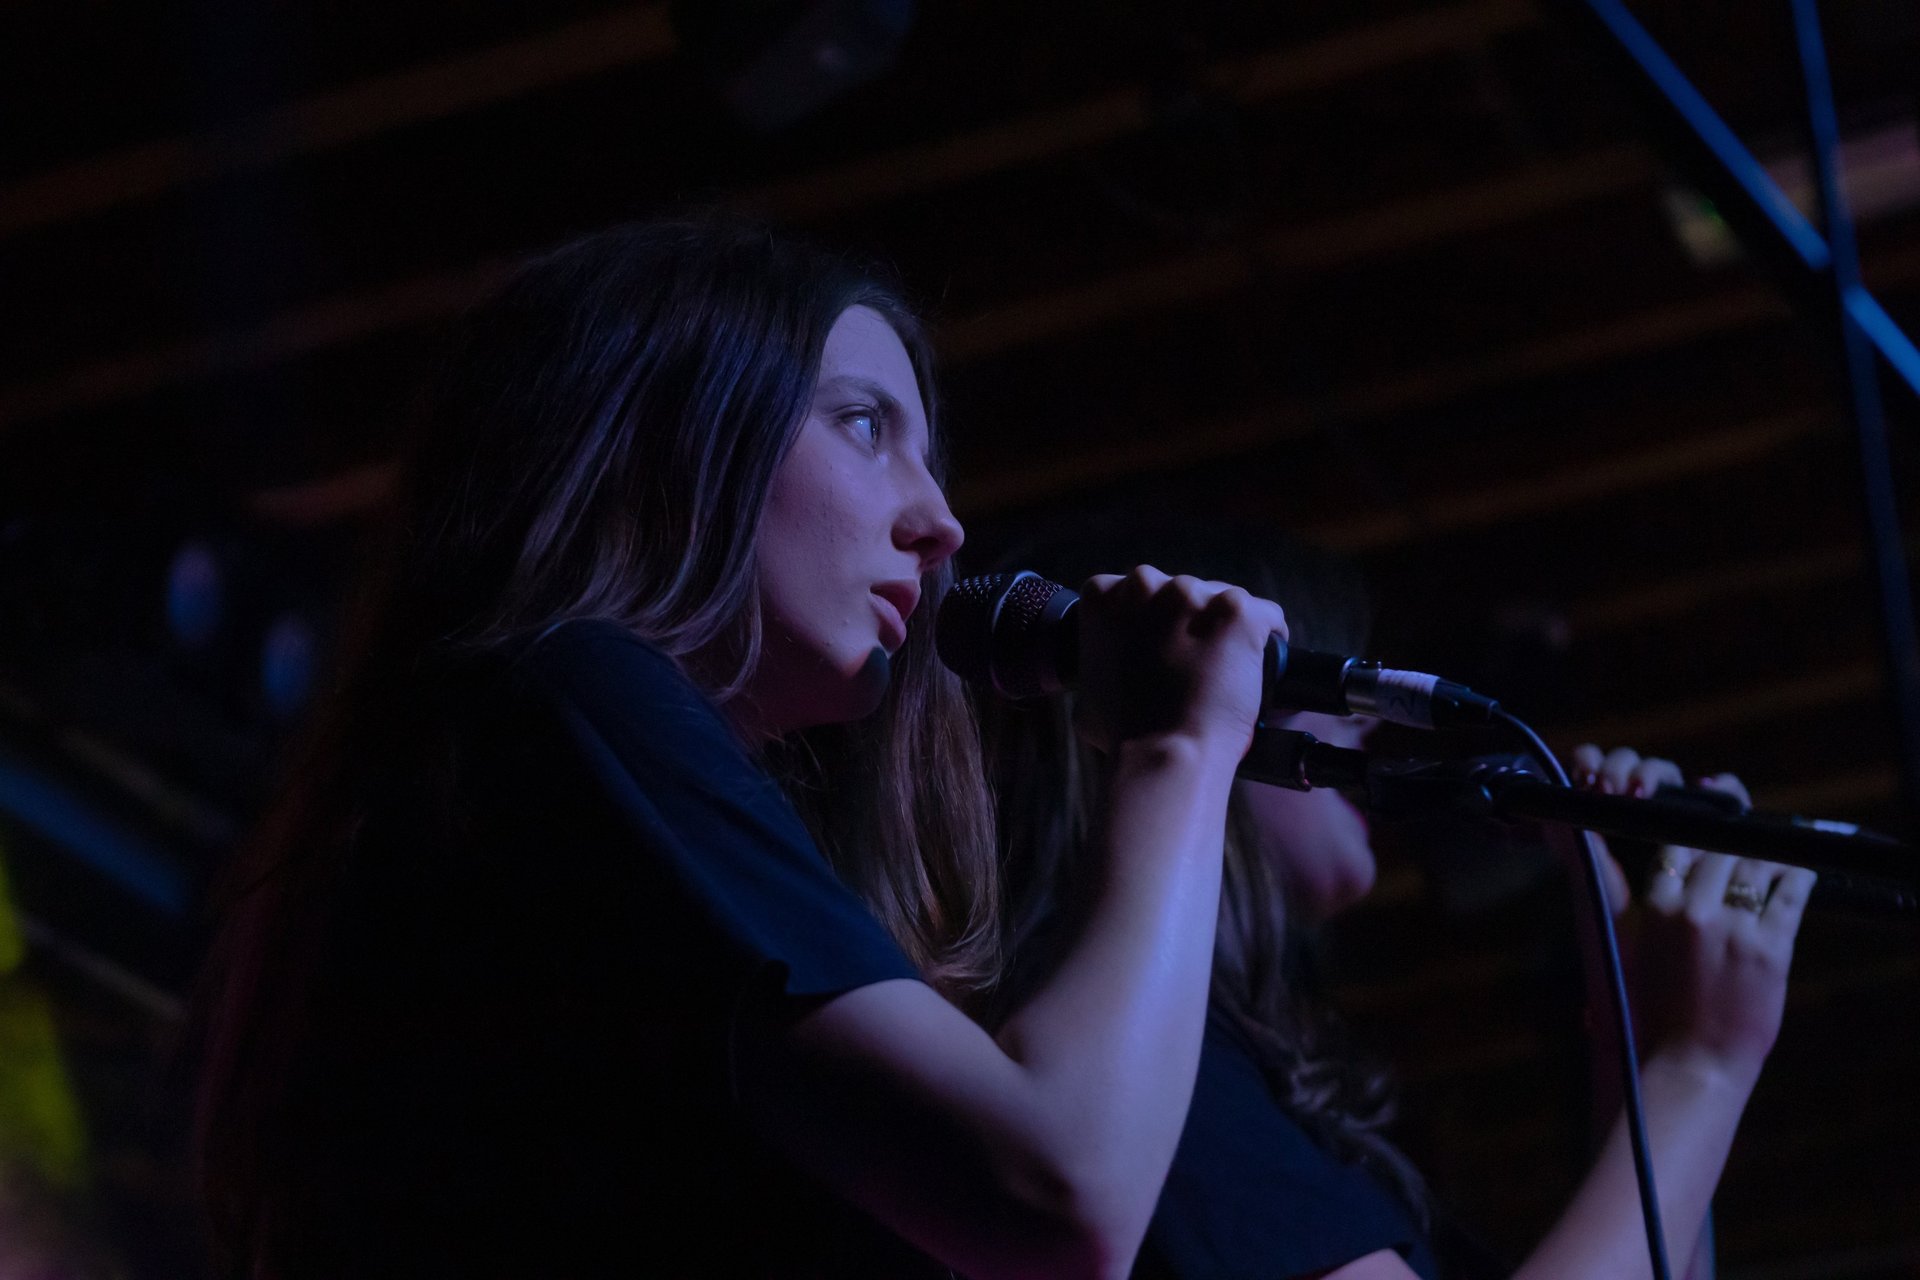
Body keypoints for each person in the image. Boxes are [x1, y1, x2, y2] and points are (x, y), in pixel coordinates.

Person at [189, 215, 1294, 1278]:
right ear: (669, 434)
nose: (942, 519)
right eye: (866, 424)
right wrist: (1178, 752)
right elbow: (1059, 1188)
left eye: (928, 451)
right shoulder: (566, 695)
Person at [983, 517, 1814, 1279]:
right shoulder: (1146, 1061)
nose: (1367, 727)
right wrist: (1702, 1063)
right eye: (1301, 669)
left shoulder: (1244, 1065)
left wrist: (1633, 1043)